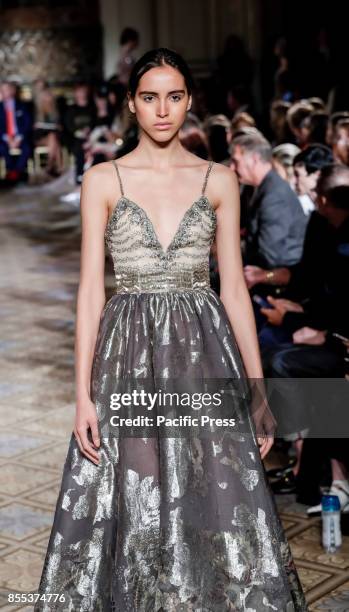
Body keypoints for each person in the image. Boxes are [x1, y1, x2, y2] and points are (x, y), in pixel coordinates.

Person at [35, 48, 307, 611]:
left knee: (214, 493)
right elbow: (91, 290)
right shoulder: (103, 179)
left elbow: (234, 289)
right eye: (151, 97)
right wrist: (80, 394)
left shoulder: (220, 179)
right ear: (133, 105)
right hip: (126, 355)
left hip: (204, 354)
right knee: (137, 493)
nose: (164, 110)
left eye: (175, 96)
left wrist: (258, 391)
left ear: (189, 101)